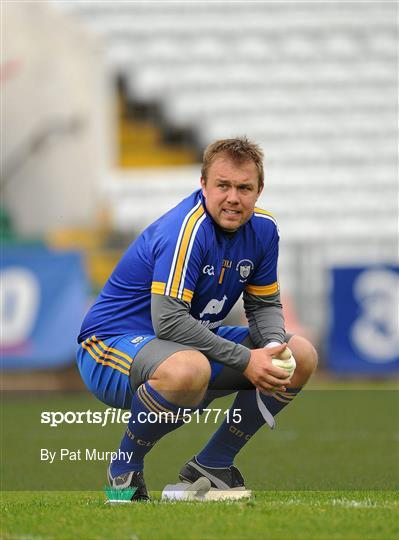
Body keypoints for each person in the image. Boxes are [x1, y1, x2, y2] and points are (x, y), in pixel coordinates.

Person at [76, 137, 318, 500]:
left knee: (297, 356)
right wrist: (245, 360)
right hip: (108, 348)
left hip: (183, 347)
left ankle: (213, 465)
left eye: (243, 187)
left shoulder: (264, 231)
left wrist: (269, 347)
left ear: (259, 190)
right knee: (189, 369)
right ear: (203, 185)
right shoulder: (186, 231)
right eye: (222, 186)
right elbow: (169, 322)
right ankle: (124, 470)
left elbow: (264, 305)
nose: (233, 197)